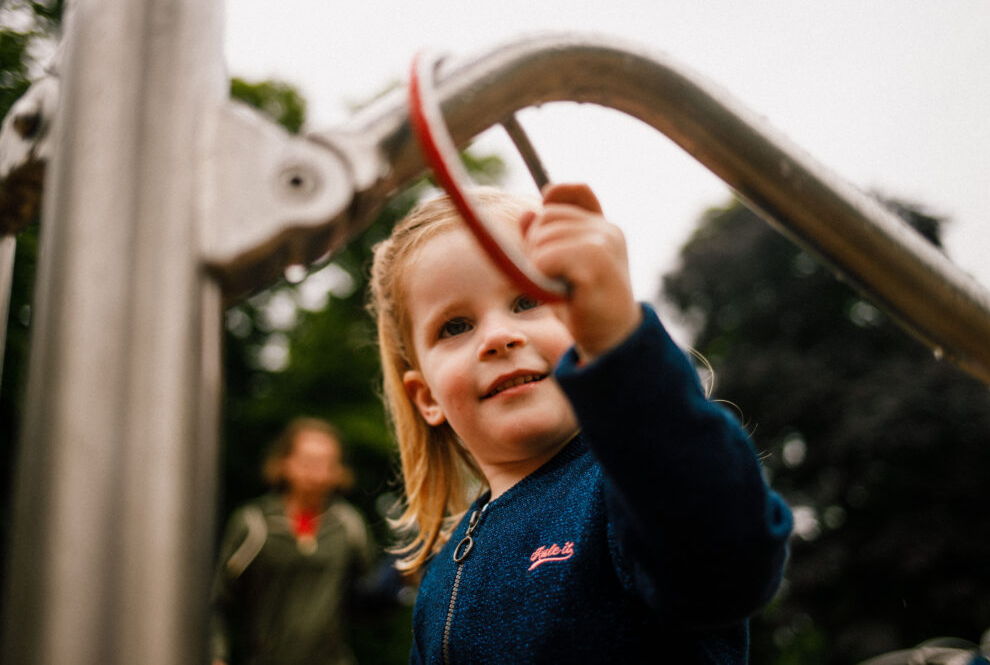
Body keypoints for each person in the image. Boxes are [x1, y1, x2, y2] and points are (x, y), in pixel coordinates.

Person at [367, 183, 794, 663]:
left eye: (528, 299)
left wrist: (619, 340)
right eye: (455, 326)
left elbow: (727, 562)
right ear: (426, 398)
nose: (499, 336)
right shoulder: (440, 579)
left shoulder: (628, 490)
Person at [210, 417, 375, 665]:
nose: (317, 473)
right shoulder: (254, 524)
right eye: (308, 461)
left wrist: (402, 578)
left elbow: (368, 603)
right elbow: (219, 603)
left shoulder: (349, 526)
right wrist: (217, 656)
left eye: (326, 463)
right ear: (284, 463)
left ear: (339, 471)